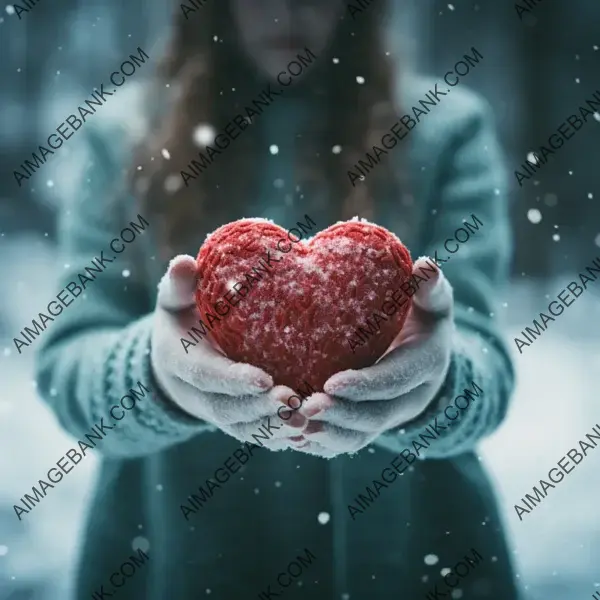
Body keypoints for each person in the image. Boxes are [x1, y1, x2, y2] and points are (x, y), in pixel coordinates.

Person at [36, 0, 522, 597]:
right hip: (171, 554)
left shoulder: (443, 130)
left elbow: (489, 369)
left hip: (412, 553)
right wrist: (157, 371)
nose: (287, 10)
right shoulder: (125, 136)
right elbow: (68, 366)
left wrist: (437, 382)